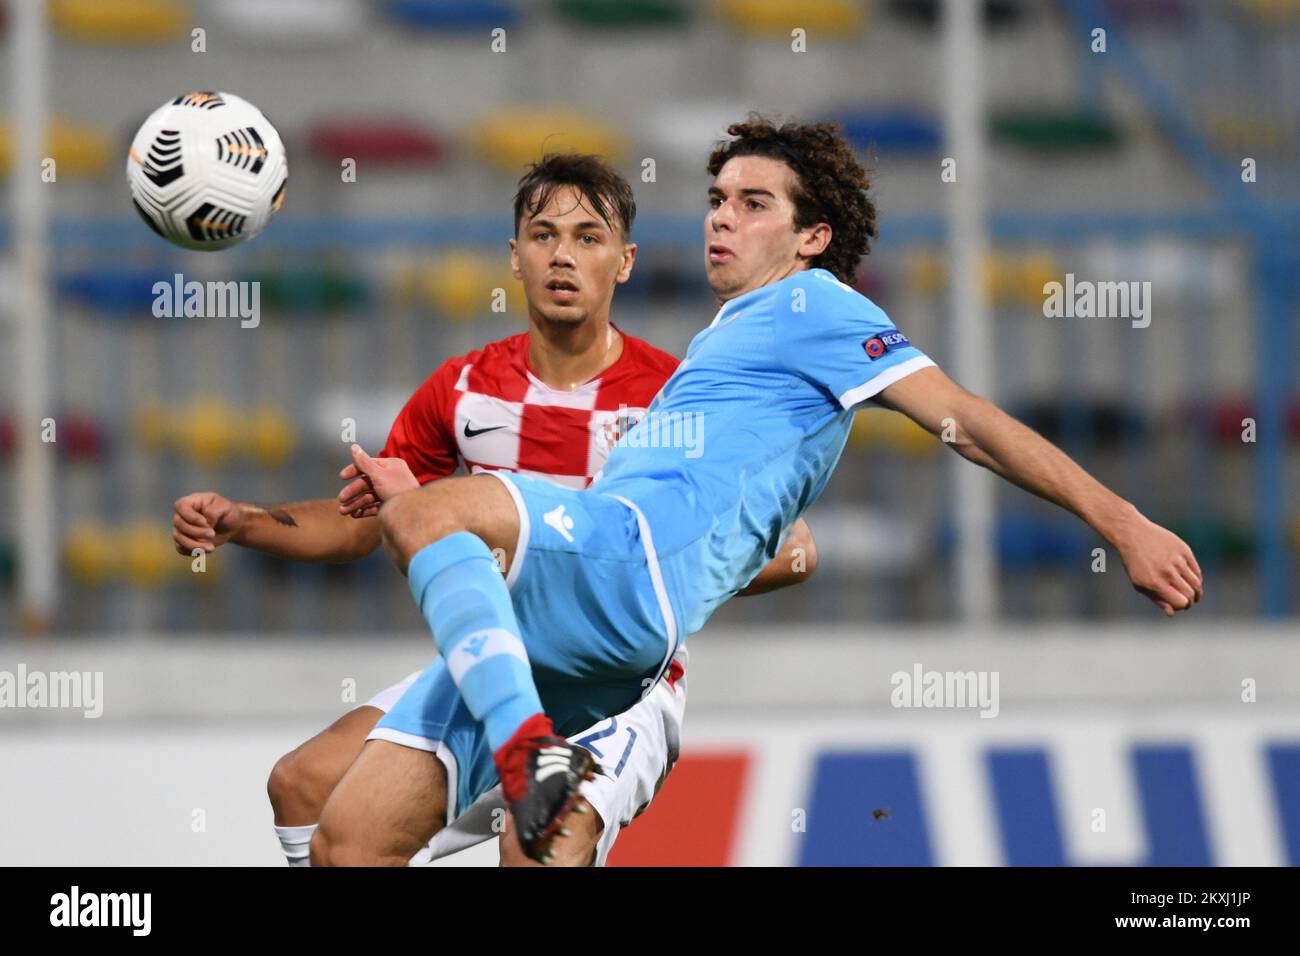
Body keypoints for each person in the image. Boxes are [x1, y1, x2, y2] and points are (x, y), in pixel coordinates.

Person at [313, 117, 1202, 866]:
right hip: (562, 623)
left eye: (753, 204)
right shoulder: (725, 341)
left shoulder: (817, 306)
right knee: (346, 839)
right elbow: (743, 512)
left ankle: (526, 752)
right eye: (714, 201)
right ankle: (529, 749)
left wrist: (1122, 523)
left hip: (624, 568)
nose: (721, 220)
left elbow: (963, 418)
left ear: (811, 238)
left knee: (431, 510)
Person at [170, 153, 815, 867]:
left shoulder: (675, 396)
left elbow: (792, 548)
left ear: (624, 262)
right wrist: (245, 522)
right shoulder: (465, 387)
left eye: (588, 238)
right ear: (515, 257)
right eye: (543, 236)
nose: (562, 257)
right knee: (304, 788)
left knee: (533, 844)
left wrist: (627, 555)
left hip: (622, 685)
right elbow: (364, 524)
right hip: (497, 670)